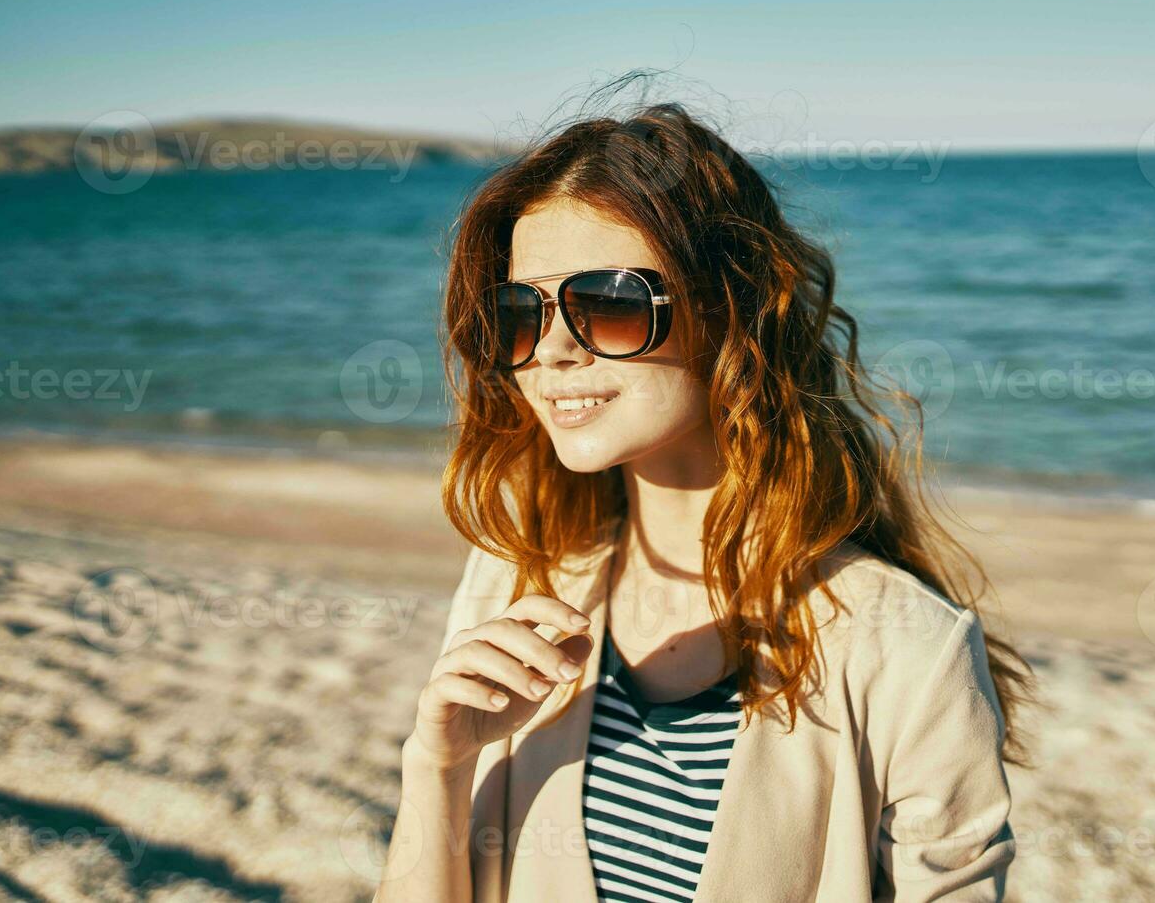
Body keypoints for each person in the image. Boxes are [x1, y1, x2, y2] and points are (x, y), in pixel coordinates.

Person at [375, 99, 1033, 902]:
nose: (548, 350)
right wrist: (437, 763)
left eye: (607, 303)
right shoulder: (513, 580)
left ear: (731, 310)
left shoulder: (908, 650)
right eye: (520, 313)